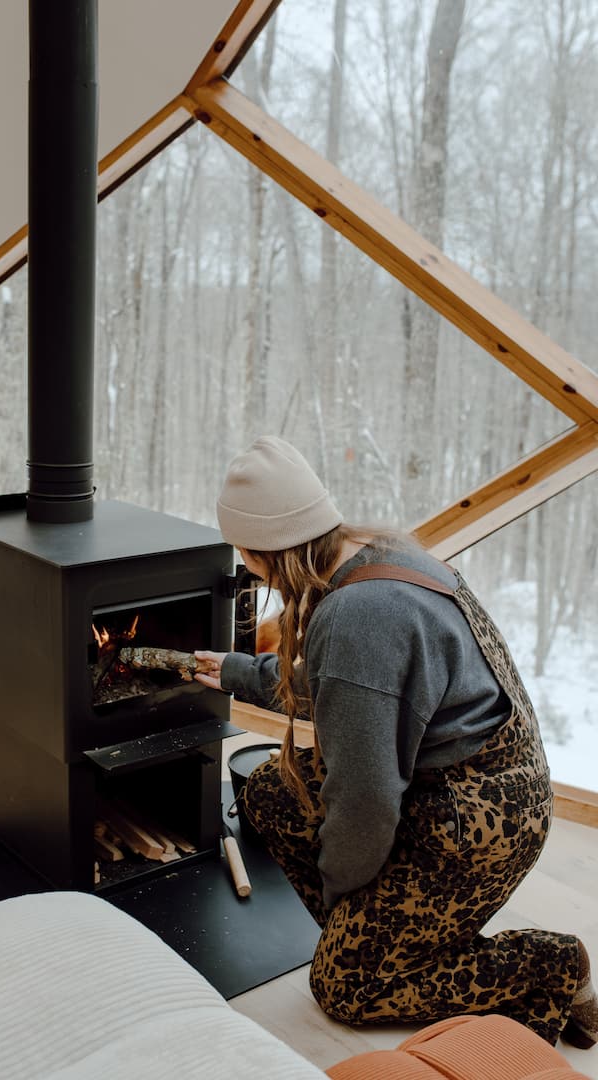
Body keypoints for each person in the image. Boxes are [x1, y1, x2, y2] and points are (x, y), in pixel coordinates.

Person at [195, 434, 598, 1050]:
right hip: (465, 788)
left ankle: (550, 964)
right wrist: (234, 671)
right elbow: (344, 685)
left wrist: (345, 897)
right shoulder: (376, 556)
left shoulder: (359, 615)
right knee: (273, 792)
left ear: (264, 550)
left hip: (475, 827)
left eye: (246, 554)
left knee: (344, 988)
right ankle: (395, 942)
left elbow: (364, 802)